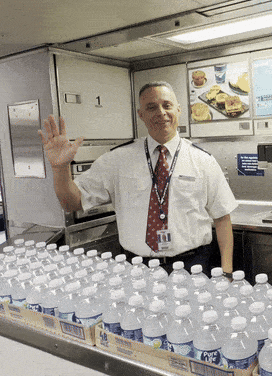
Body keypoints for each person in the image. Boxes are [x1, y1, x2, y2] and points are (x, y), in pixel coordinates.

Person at [39, 81, 237, 275]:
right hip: (136, 269)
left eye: (167, 105)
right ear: (141, 115)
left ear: (178, 109)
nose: (160, 112)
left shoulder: (203, 160)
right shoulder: (117, 160)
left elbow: (222, 217)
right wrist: (60, 168)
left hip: (193, 265)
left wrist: (227, 272)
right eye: (151, 107)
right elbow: (71, 203)